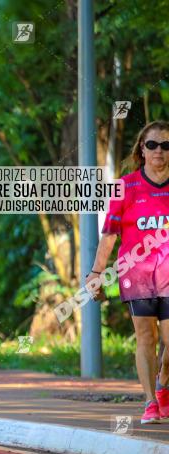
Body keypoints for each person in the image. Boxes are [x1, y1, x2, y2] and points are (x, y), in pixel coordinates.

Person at [89, 120, 169, 424]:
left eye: (165, 145)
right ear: (142, 149)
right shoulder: (126, 186)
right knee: (145, 338)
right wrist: (95, 272)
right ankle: (150, 402)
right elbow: (109, 234)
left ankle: (164, 381)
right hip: (137, 275)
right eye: (152, 144)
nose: (159, 151)